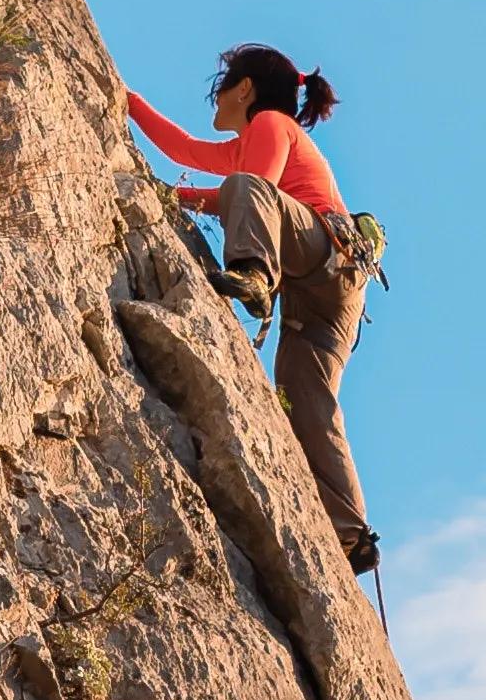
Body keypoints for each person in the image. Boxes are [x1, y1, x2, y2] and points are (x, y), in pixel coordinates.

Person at [121, 43, 384, 581]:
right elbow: (185, 149)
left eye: (222, 85)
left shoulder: (269, 124)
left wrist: (183, 196)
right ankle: (350, 531)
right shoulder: (252, 142)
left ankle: (255, 275)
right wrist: (129, 101)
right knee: (307, 396)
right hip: (338, 287)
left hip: (318, 254)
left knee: (245, 187)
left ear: (244, 89)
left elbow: (251, 190)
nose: (214, 97)